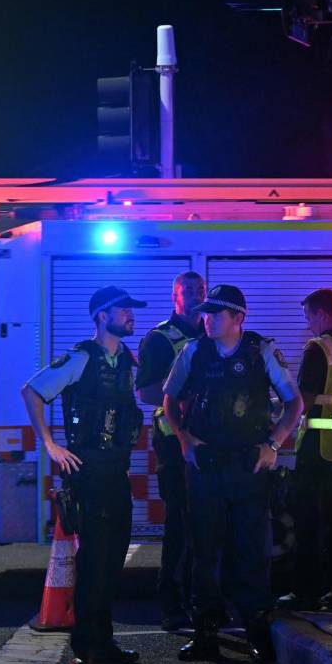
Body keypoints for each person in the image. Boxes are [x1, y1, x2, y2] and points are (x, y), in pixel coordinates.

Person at [162, 284, 303, 663]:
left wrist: (273, 445)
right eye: (204, 313)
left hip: (247, 465)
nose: (206, 319)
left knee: (251, 550)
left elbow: (294, 403)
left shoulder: (261, 351)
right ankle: (205, 633)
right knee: (204, 549)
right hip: (206, 466)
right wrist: (184, 439)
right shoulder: (195, 351)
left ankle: (257, 631)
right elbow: (169, 398)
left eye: (215, 314)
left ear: (238, 318)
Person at [20, 286, 146, 664]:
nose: (130, 315)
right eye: (123, 310)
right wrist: (50, 445)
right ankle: (87, 647)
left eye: (130, 310)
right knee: (93, 561)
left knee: (112, 558)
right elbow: (32, 391)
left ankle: (103, 643)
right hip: (87, 470)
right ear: (101, 316)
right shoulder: (79, 358)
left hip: (115, 470)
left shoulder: (126, 359)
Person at [135, 270, 205, 632]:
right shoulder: (160, 339)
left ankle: (203, 601)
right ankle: (172, 603)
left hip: (211, 445)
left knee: (207, 525)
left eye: (199, 290)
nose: (194, 295)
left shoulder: (214, 335)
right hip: (174, 443)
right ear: (175, 296)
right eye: (187, 290)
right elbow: (146, 393)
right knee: (179, 523)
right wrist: (181, 388)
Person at [283, 288, 332, 611]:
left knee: (307, 524)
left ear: (322, 314)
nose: (308, 324)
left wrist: (278, 421)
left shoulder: (317, 349)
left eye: (309, 316)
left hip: (316, 452)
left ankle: (305, 591)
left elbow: (303, 402)